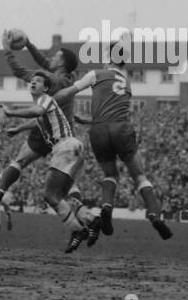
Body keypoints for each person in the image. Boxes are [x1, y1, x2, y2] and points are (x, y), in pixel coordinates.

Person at [52, 65, 172, 240]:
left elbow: (69, 92)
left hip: (98, 130)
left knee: (110, 174)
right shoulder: (127, 83)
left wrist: (48, 103)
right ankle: (154, 215)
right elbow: (116, 111)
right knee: (139, 176)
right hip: (121, 128)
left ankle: (107, 207)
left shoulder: (97, 74)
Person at [0, 31, 85, 209]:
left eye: (55, 57)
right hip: (66, 135)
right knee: (68, 184)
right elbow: (46, 63)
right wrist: (29, 44)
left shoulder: (50, 80)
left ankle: (0, 190)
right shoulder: (68, 78)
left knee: (20, 161)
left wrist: (7, 49)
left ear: (61, 63)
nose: (50, 59)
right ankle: (84, 217)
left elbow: (19, 71)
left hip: (45, 132)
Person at [1, 70, 99, 253]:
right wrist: (19, 129)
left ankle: (78, 230)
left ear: (45, 88)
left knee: (50, 195)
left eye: (38, 81)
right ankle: (92, 220)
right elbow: (37, 120)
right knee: (62, 194)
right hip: (74, 147)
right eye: (32, 80)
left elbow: (37, 112)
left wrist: (11, 112)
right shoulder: (46, 106)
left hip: (65, 147)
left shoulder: (45, 99)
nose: (33, 82)